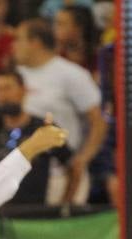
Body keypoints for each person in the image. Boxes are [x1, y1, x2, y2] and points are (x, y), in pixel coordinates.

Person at [12, 16, 104, 205]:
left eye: (19, 39)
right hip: (22, 174)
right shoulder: (15, 76)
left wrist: (83, 158)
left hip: (61, 173)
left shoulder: (71, 74)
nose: (13, 45)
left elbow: (98, 120)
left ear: (35, 43)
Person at [0, 68, 71, 206]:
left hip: (33, 214)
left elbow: (73, 165)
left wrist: (65, 205)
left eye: (7, 88)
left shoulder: (42, 129)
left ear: (23, 90)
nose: (2, 95)